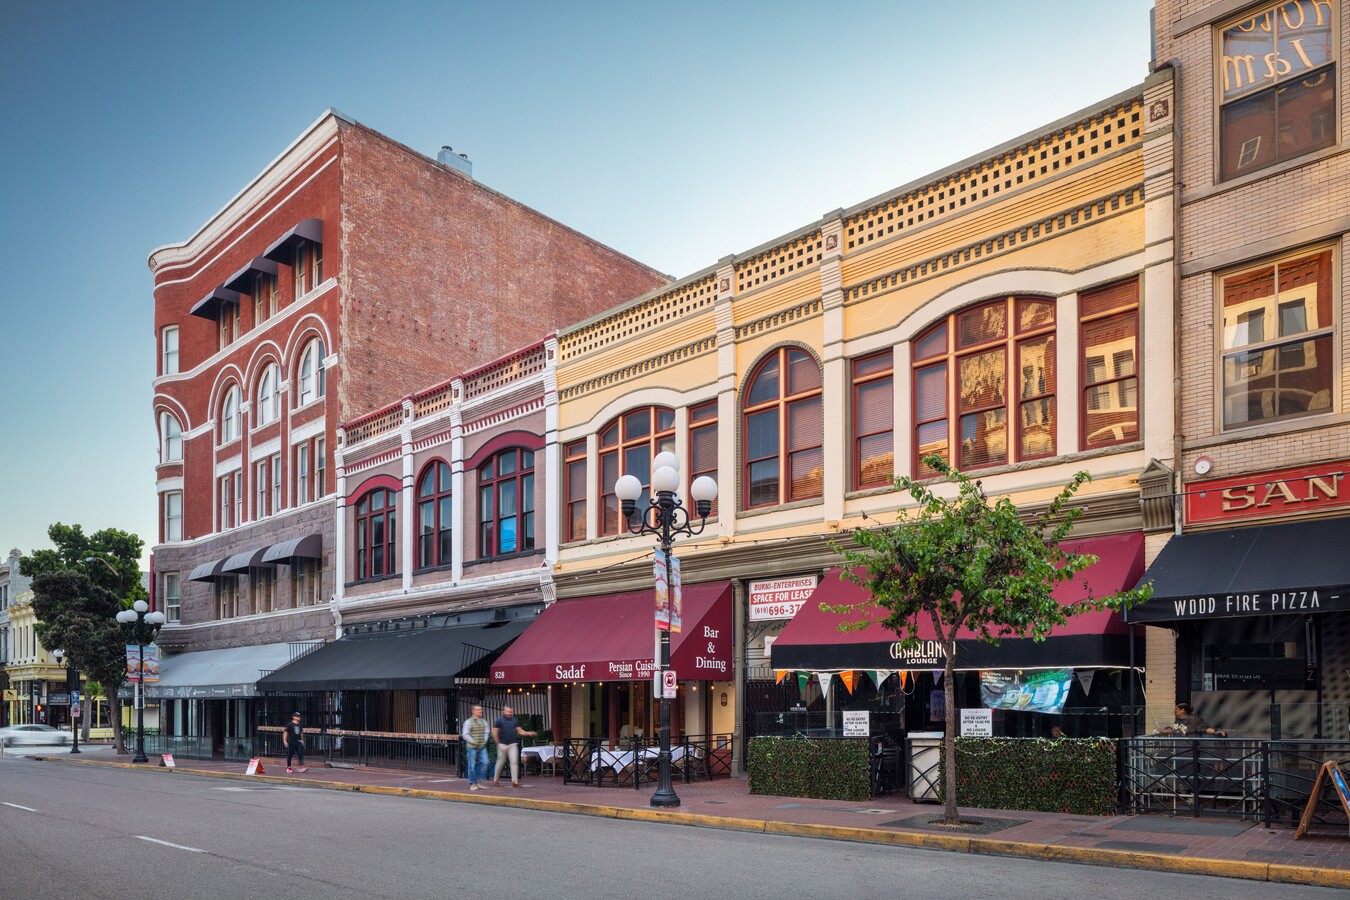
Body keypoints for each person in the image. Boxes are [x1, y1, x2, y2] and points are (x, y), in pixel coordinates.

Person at [492, 705, 537, 788]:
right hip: (502, 744)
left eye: (511, 712)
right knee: (500, 762)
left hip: (512, 744)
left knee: (514, 762)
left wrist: (528, 733)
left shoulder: (514, 720)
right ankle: (495, 779)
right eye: (508, 711)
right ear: (504, 711)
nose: (509, 713)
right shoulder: (499, 721)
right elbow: (494, 732)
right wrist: (498, 743)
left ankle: (515, 782)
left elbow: (520, 731)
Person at [461, 704, 491, 790]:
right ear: (473, 711)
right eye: (478, 710)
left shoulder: (484, 722)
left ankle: (478, 780)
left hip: (481, 747)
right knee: (471, 765)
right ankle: (472, 783)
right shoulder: (468, 722)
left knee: (486, 762)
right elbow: (465, 734)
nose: (480, 711)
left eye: (481, 710)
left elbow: (486, 732)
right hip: (471, 747)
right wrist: (473, 741)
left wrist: (485, 740)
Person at [1154, 702, 1226, 737]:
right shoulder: (1178, 720)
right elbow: (1176, 730)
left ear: (1183, 710)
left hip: (1190, 750)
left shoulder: (1193, 719)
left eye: (1176, 709)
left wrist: (1216, 732)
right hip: (1178, 750)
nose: (1174, 711)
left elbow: (1205, 729)